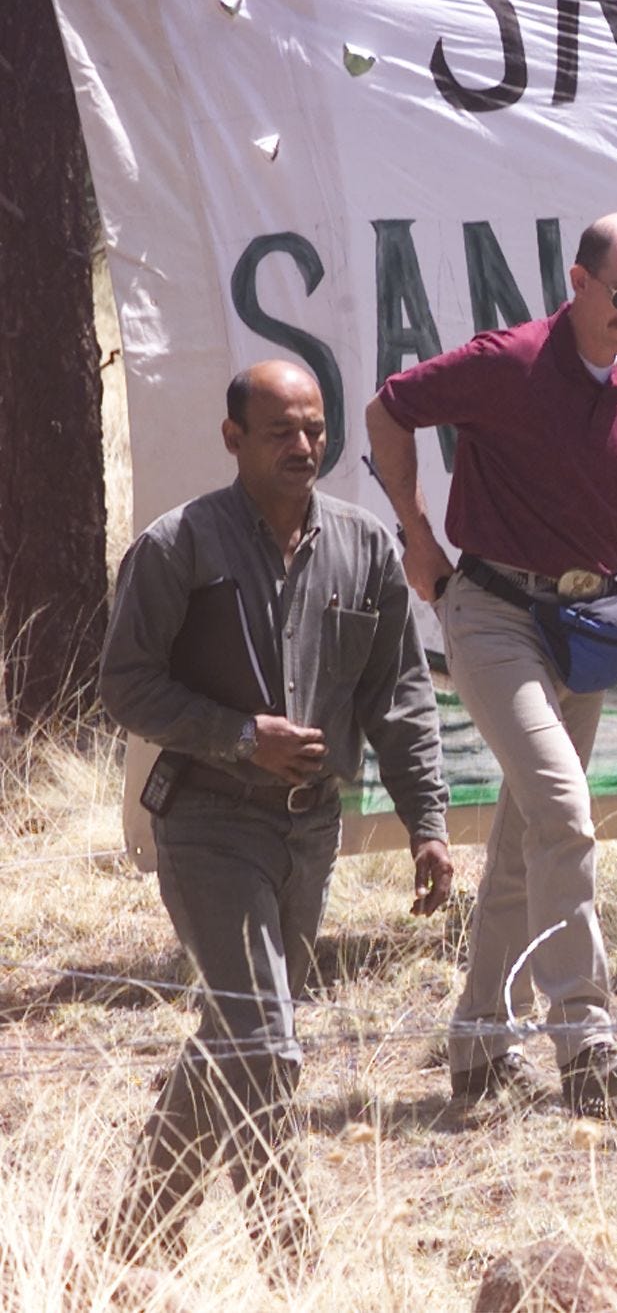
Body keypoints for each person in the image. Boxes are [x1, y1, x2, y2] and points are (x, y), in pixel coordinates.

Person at [364, 211, 617, 1118]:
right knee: (566, 812)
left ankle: (476, 1037)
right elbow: (389, 409)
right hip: (493, 611)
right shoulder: (509, 361)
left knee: (524, 842)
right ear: (576, 282)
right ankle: (582, 1031)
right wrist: (418, 537)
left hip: (584, 625)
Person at [97, 361, 452, 1278]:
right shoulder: (180, 546)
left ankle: (129, 1245)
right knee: (267, 1042)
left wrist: (428, 822)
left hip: (310, 834)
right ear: (233, 439)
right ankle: (294, 1264)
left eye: (315, 429)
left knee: (236, 1034)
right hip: (209, 825)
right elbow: (124, 684)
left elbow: (400, 698)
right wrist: (234, 735)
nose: (304, 447)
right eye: (280, 432)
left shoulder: (367, 548)